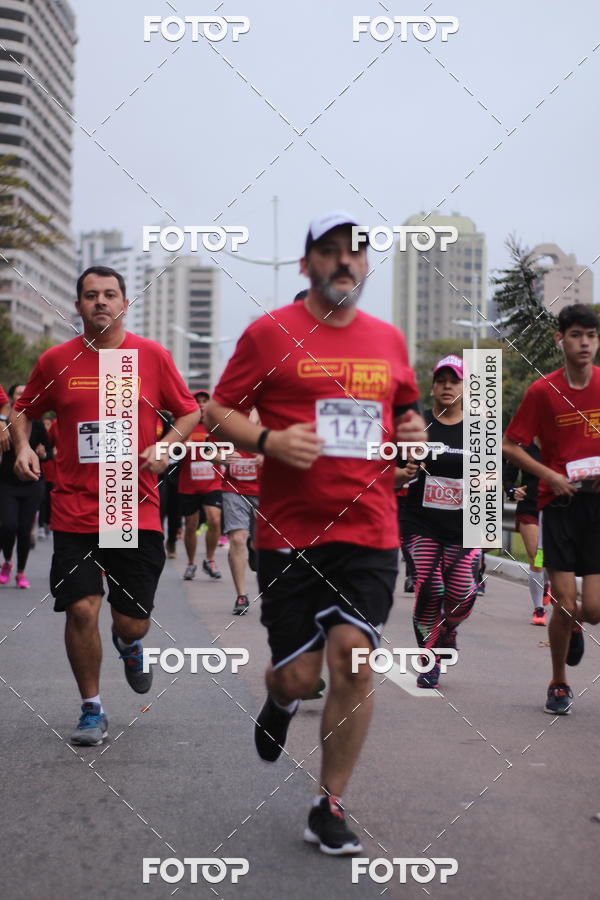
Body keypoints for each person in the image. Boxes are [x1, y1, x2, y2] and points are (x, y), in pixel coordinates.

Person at [206, 210, 425, 855]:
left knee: (355, 662)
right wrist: (270, 439)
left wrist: (410, 437)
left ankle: (328, 803)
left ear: (366, 265)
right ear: (305, 265)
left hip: (370, 529)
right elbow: (217, 410)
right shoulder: (270, 334)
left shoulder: (388, 340)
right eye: (329, 252)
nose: (344, 262)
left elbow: (406, 410)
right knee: (299, 679)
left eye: (355, 253)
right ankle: (278, 700)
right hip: (289, 535)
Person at [11, 266, 200, 745]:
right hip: (75, 506)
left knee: (131, 621)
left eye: (109, 294)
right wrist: (22, 447)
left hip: (131, 502)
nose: (100, 302)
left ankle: (128, 643)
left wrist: (167, 446)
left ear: (124, 303)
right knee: (80, 608)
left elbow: (189, 410)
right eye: (90, 295)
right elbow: (23, 409)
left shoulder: (149, 357)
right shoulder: (56, 360)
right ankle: (92, 707)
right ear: (77, 306)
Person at [503, 304, 600, 715]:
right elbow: (510, 444)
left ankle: (575, 623)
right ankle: (559, 681)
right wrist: (549, 475)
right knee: (562, 600)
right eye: (576, 335)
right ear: (561, 339)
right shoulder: (542, 392)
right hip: (557, 504)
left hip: (596, 506)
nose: (585, 343)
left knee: (592, 609)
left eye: (592, 336)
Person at [399, 356, 481, 689]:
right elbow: (389, 470)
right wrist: (403, 471)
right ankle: (429, 659)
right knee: (430, 588)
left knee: (462, 594)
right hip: (421, 523)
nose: (448, 386)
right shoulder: (416, 425)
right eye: (442, 380)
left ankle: (448, 629)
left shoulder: (480, 429)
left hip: (465, 526)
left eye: (455, 381)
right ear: (432, 387)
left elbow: (496, 477)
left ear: (464, 388)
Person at [0, 384, 51, 588]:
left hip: (32, 483)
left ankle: (21, 571)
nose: (22, 395)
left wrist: (42, 453)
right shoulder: (3, 424)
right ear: (11, 398)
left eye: (25, 392)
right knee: (9, 526)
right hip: (7, 483)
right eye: (18, 393)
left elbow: (48, 452)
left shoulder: (37, 424)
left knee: (23, 529)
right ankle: (7, 562)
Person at [177, 389, 223, 581]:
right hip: (188, 484)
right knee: (191, 525)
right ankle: (191, 563)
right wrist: (181, 447)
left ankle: (210, 560)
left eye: (205, 401)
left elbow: (225, 451)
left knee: (214, 519)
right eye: (198, 401)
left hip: (212, 482)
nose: (202, 404)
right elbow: (172, 452)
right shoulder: (185, 426)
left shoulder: (217, 427)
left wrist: (219, 456)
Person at [503, 442, 551, 625]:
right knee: (536, 556)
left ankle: (545, 584)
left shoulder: (558, 445)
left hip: (555, 510)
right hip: (529, 509)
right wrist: (512, 491)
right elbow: (507, 478)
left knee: (546, 558)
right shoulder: (523, 449)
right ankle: (539, 609)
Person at [220, 445, 260, 615]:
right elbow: (207, 449)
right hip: (234, 489)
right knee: (237, 539)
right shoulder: (225, 420)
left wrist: (271, 453)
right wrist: (220, 457)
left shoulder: (272, 419)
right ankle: (241, 596)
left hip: (266, 489)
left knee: (261, 543)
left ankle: (253, 545)